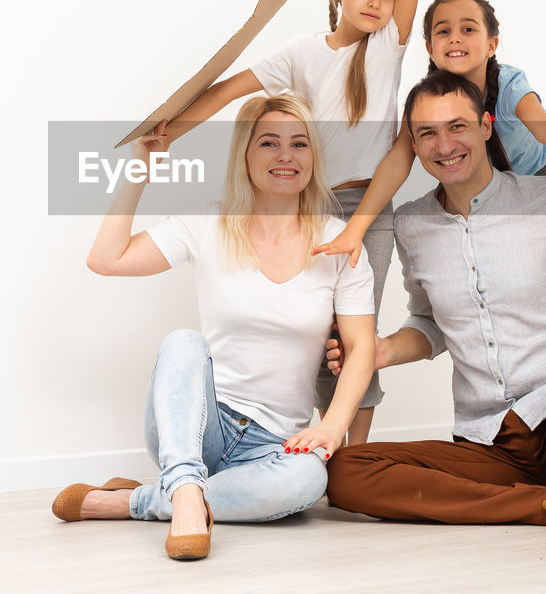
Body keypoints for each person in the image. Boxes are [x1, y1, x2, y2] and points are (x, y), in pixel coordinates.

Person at [163, 0, 488, 444]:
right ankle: (294, 442)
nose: (376, 0)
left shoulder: (388, 43)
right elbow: (226, 91)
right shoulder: (303, 54)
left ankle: (352, 460)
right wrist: (167, 132)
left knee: (351, 337)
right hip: (313, 208)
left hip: (372, 208)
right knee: (317, 339)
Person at [323, 70, 546, 579]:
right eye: (427, 134)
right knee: (346, 472)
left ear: (485, 126)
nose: (444, 144)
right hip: (492, 445)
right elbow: (430, 323)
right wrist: (382, 350)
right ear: (413, 146)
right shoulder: (413, 224)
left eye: (457, 126)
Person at [54, 94, 376, 561]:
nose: (286, 156)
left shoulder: (338, 242)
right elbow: (106, 259)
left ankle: (143, 499)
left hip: (275, 444)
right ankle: (184, 486)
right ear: (245, 155)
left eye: (299, 144)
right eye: (269, 143)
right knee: (183, 341)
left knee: (308, 481)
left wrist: (331, 427)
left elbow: (361, 347)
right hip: (198, 424)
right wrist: (138, 172)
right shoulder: (208, 222)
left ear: (313, 157)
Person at [313, 0, 546, 266]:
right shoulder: (428, 101)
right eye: (443, 31)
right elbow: (398, 161)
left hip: (535, 179)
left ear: (492, 44)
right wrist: (355, 228)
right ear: (430, 50)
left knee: (541, 262)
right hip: (482, 194)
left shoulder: (507, 83)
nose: (455, 37)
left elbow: (543, 124)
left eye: (468, 29)